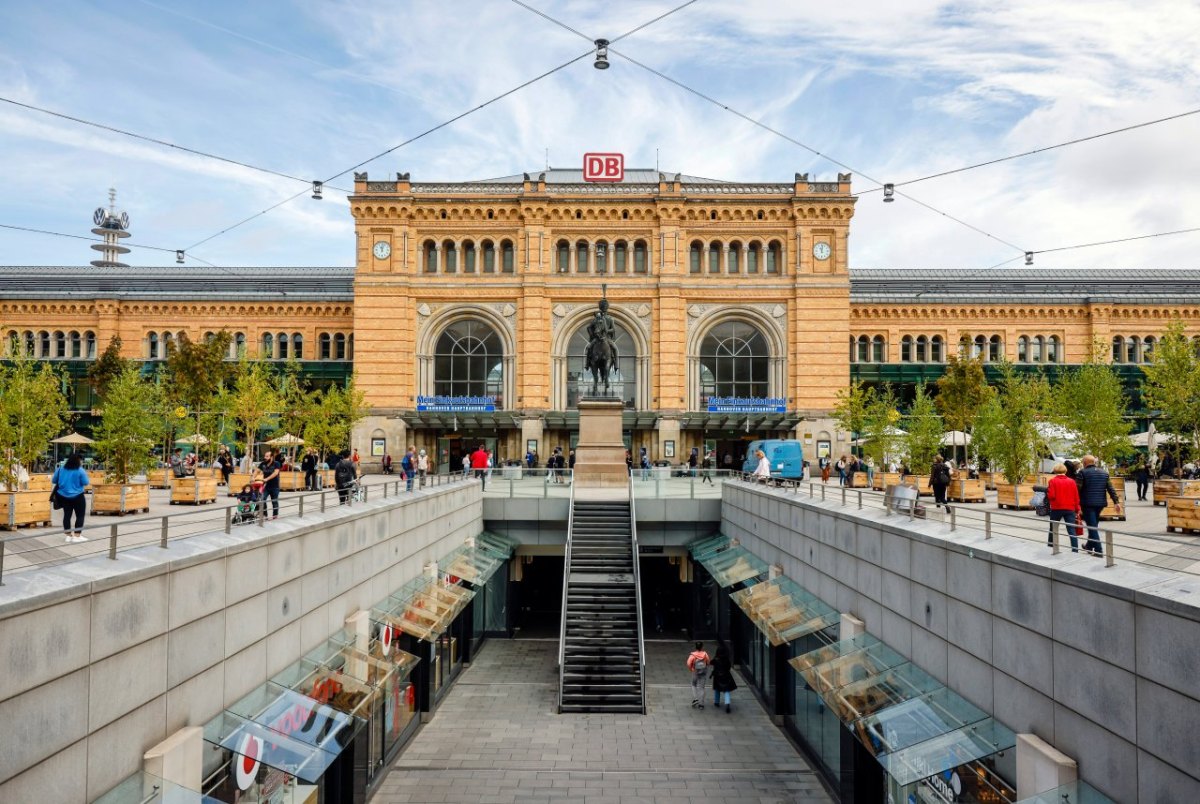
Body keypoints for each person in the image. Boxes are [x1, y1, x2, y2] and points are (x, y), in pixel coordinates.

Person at [1079, 455, 1121, 556]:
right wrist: (1116, 502)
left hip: (1087, 504)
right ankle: (1089, 545)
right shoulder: (1104, 473)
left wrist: (1076, 503)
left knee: (1092, 527)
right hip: (1100, 504)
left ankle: (1099, 551)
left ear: (1084, 463)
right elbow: (1110, 488)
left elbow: (1077, 489)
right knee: (1093, 525)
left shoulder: (1082, 472)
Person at [53, 452, 91, 543]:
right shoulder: (80, 470)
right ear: (78, 461)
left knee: (67, 515)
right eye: (81, 460)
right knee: (80, 515)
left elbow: (54, 480)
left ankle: (68, 536)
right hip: (78, 496)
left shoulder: (60, 469)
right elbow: (86, 482)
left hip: (64, 496)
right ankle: (77, 536)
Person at [1046, 463, 1081, 553]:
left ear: (1055, 471)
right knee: (1071, 530)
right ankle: (1075, 550)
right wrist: (1077, 509)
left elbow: (1051, 496)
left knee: (1053, 528)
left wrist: (1048, 493)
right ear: (1065, 471)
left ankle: (1051, 547)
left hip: (1056, 508)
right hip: (1070, 509)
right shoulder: (1072, 481)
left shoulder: (1052, 481)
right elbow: (1076, 497)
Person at [710, 644, 738, 713]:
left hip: (717, 677)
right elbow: (728, 667)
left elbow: (711, 662)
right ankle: (727, 703)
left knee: (717, 689)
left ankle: (716, 702)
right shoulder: (726, 660)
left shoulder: (716, 659)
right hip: (726, 676)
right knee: (726, 690)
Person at [258, 449, 282, 519]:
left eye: (267, 456)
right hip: (266, 486)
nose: (265, 457)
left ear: (271, 457)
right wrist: (253, 477)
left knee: (274, 501)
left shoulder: (276, 463)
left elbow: (276, 473)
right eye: (265, 456)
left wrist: (267, 479)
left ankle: (275, 515)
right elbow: (257, 470)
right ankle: (265, 515)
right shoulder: (263, 464)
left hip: (275, 486)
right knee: (262, 499)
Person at [687, 641, 711, 708]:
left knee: (693, 684)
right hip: (703, 671)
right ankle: (701, 704)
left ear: (696, 647)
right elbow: (708, 662)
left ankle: (695, 699)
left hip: (695, 671)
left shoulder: (693, 655)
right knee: (702, 687)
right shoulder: (705, 654)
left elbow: (688, 663)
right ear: (702, 647)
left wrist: (691, 669)